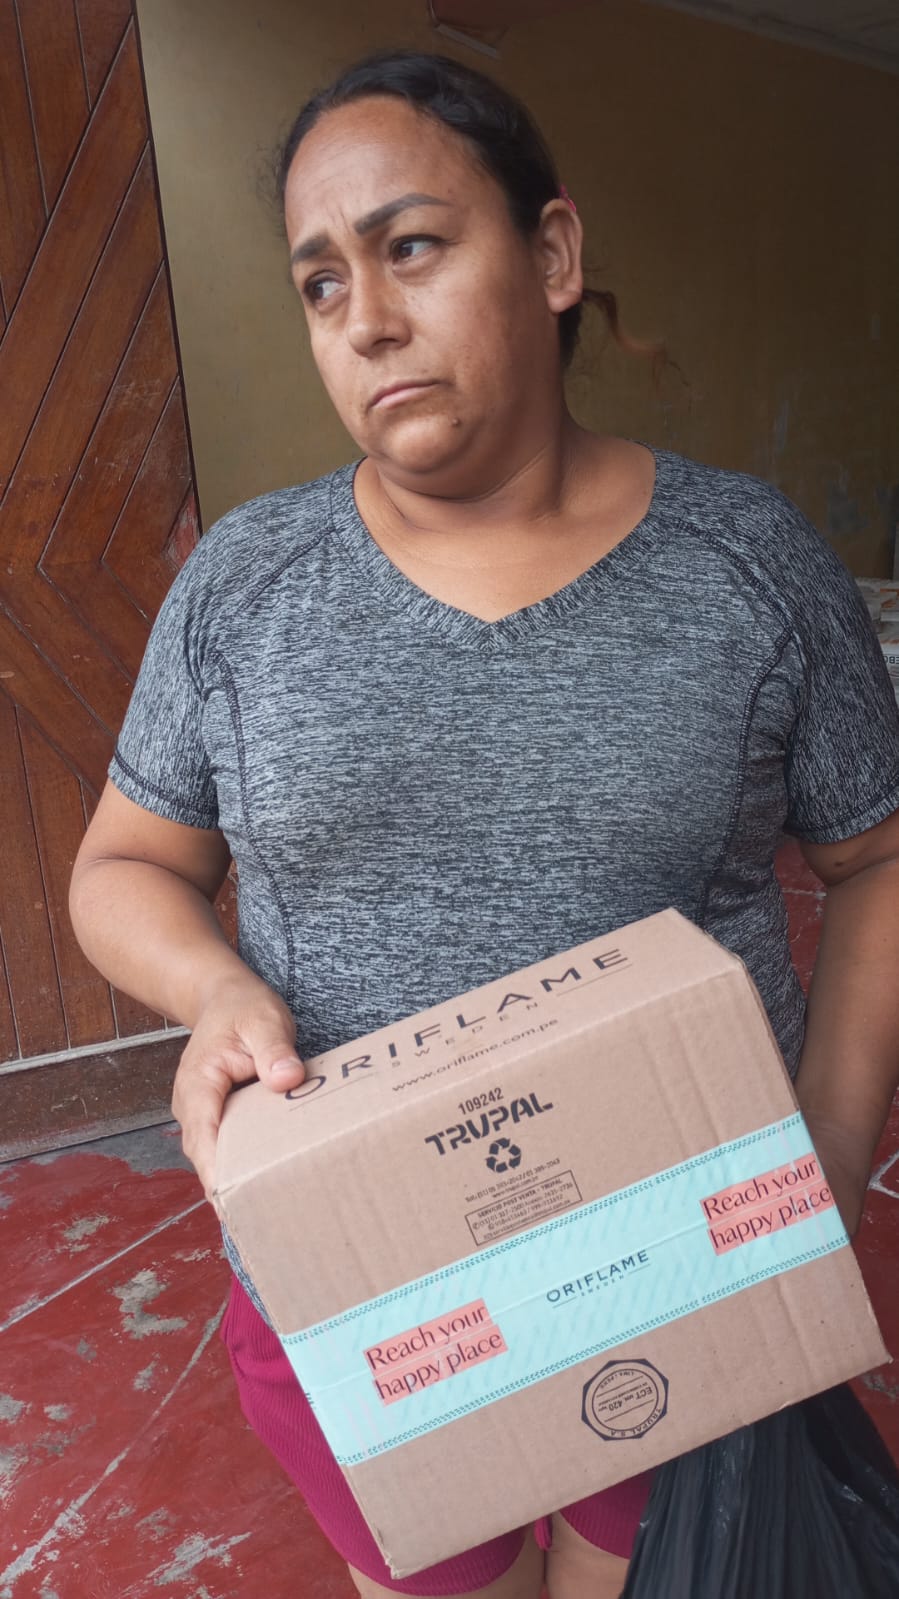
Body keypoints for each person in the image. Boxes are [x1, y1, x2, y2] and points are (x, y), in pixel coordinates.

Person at [69, 47, 899, 1599]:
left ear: (554, 253)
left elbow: (878, 860)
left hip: (670, 1264)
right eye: (321, 282)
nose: (365, 318)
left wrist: (833, 1153)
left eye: (413, 246)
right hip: (363, 1293)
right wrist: (213, 985)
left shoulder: (749, 566)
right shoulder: (244, 590)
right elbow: (124, 866)